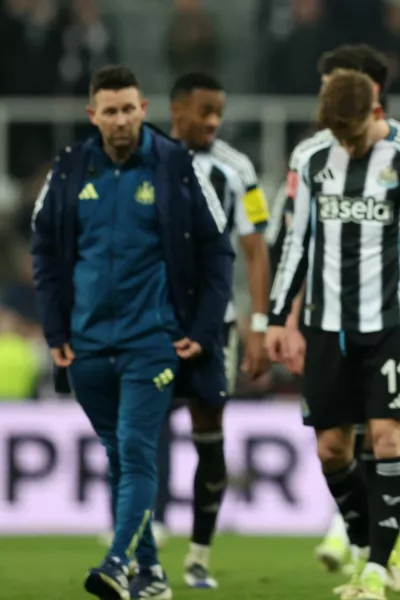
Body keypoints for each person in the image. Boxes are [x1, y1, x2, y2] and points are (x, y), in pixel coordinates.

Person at [30, 65, 233, 600]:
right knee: (119, 458)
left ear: (144, 109)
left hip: (153, 340)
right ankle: (153, 575)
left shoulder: (177, 166)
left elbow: (218, 252)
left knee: (137, 450)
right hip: (87, 342)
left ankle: (117, 562)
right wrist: (55, 331)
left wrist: (204, 330)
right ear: (92, 115)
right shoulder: (70, 169)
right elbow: (45, 253)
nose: (120, 120)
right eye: (109, 111)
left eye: (128, 109)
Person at [270, 44, 400, 591]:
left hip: (393, 321)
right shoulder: (311, 160)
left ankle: (379, 565)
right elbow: (295, 244)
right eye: (336, 133)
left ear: (374, 111)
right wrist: (278, 319)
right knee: (332, 449)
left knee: (392, 437)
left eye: (351, 132)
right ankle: (363, 535)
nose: (345, 144)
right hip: (328, 326)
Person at [156, 71, 271, 588]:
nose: (212, 122)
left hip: (216, 324)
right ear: (176, 109)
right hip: (152, 322)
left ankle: (199, 553)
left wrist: (259, 324)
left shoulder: (236, 167)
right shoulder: (146, 159)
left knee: (209, 433)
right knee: (143, 428)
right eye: (203, 111)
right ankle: (148, 533)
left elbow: (254, 249)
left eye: (218, 113)